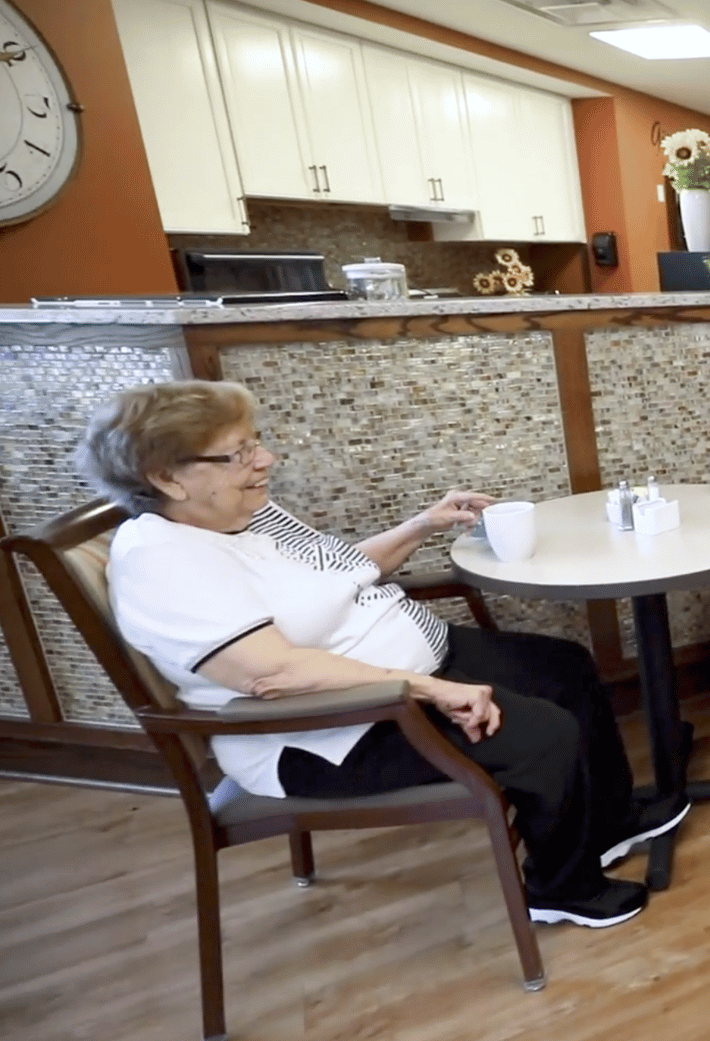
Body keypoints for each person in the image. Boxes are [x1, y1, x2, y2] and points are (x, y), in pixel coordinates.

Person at [78, 380, 666, 929]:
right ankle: (560, 888)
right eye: (237, 454)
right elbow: (271, 673)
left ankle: (606, 822)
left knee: (563, 665)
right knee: (543, 734)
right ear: (168, 479)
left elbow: (336, 575)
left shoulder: (236, 516)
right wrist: (433, 690)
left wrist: (424, 524)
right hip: (326, 732)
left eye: (254, 443)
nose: (264, 461)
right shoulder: (165, 561)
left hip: (398, 672)